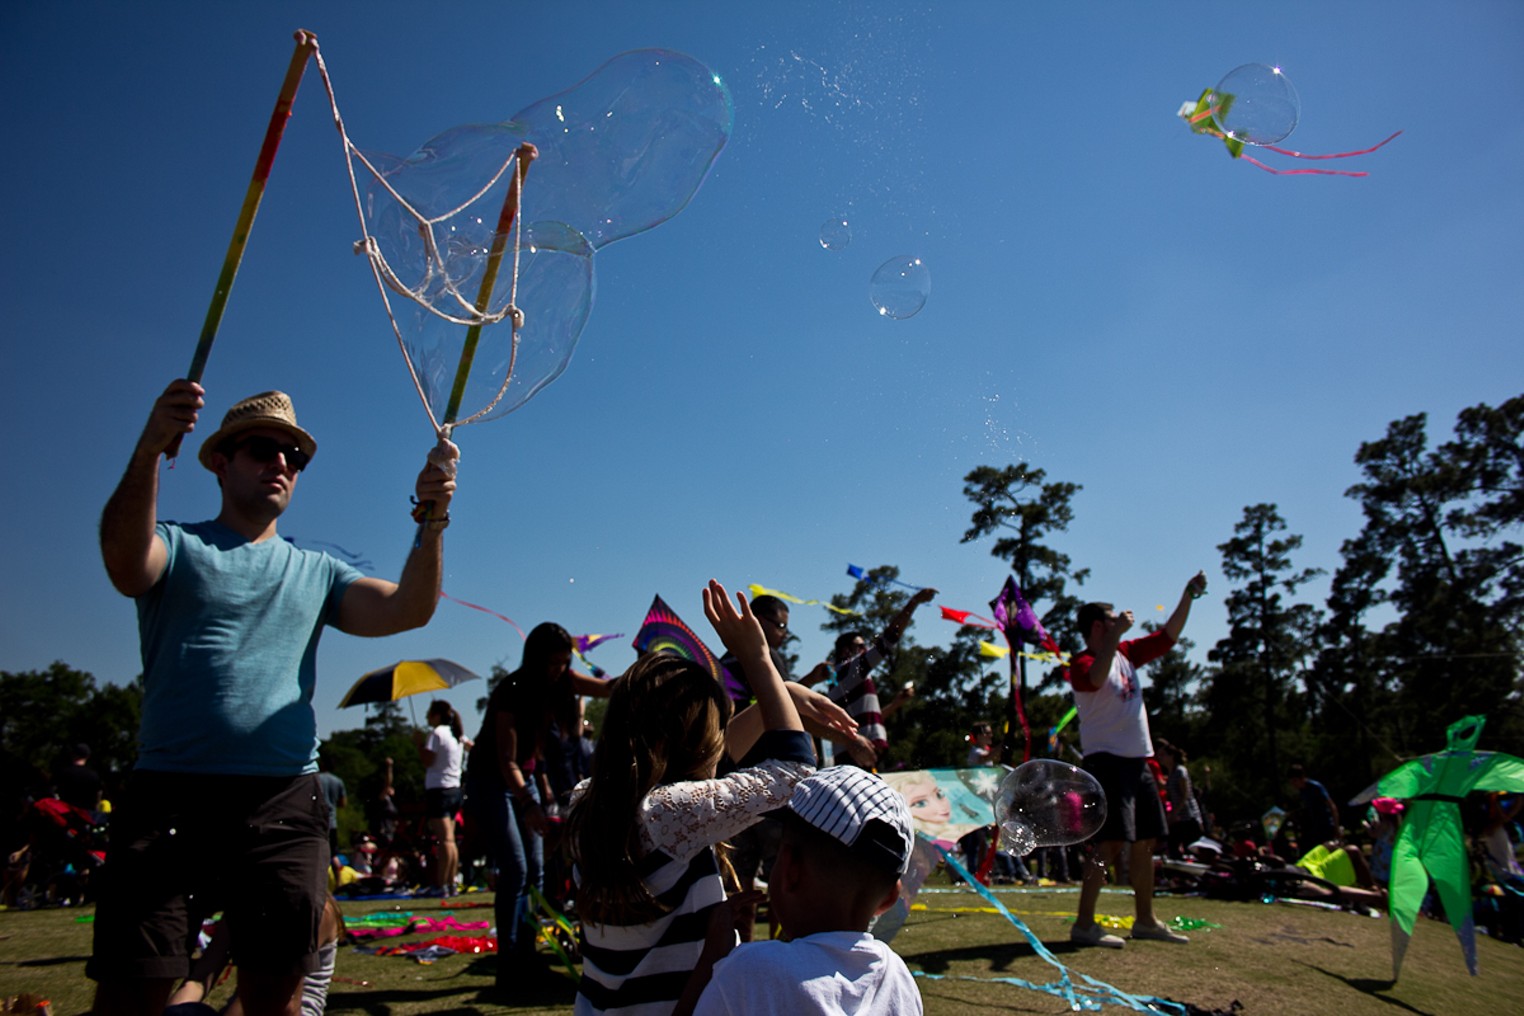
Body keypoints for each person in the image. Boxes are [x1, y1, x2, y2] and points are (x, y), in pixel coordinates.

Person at [91, 381, 458, 1016]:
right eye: (263, 448)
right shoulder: (177, 545)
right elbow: (125, 563)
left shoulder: (316, 570)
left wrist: (432, 517)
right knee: (133, 993)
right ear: (218, 461)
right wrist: (151, 448)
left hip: (282, 799)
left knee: (274, 998)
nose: (281, 463)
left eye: (295, 455)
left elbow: (408, 609)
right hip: (168, 791)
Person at [567, 580, 816, 1015]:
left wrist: (777, 700)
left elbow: (712, 774)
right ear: (689, 742)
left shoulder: (588, 800)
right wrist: (758, 660)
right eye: (713, 731)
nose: (719, 743)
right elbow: (796, 772)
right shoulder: (669, 814)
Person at [682, 766, 923, 1016]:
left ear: (789, 869)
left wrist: (712, 959)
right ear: (890, 898)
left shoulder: (752, 970)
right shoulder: (898, 978)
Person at [465, 622, 613, 986]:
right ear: (535, 659)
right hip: (493, 781)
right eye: (552, 663)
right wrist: (530, 803)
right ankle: (509, 962)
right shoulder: (512, 690)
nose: (559, 670)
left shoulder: (562, 681)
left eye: (564, 663)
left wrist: (646, 669)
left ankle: (527, 955)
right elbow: (507, 760)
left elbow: (608, 689)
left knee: (536, 870)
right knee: (515, 869)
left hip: (524, 779)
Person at [1066, 572, 1205, 949]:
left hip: (1138, 763)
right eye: (1112, 620)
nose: (1120, 624)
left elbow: (1167, 637)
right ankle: (1084, 924)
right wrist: (1115, 636)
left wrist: (1187, 596)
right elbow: (1095, 679)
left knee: (1146, 842)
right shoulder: (1080, 663)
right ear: (1099, 626)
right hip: (1107, 764)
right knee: (1107, 846)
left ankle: (1145, 920)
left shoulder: (1126, 655)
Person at [809, 587, 938, 762]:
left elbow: (868, 722)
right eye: (860, 646)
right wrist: (913, 602)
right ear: (846, 651)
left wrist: (895, 704)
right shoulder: (850, 670)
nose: (865, 650)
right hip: (859, 755)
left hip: (856, 755)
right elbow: (889, 638)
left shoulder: (839, 680)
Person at [417, 699, 466, 897]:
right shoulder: (457, 734)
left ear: (437, 715)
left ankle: (441, 884)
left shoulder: (437, 734)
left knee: (444, 840)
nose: (427, 717)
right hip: (455, 788)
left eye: (429, 713)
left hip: (439, 789)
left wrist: (419, 745)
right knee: (451, 839)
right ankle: (451, 882)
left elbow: (428, 760)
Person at [1154, 738, 1204, 856]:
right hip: (1180, 818)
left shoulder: (1180, 771)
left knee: (1189, 847)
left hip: (1189, 817)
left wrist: (1174, 813)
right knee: (1173, 844)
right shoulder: (1170, 773)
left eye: (1163, 755)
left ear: (1171, 756)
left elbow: (1185, 794)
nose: (1160, 758)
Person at [1288, 763, 1341, 848]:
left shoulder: (1316, 787)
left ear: (1301, 778)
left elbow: (1331, 806)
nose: (1294, 785)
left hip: (1326, 825)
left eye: (1295, 781)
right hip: (1315, 827)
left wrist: (1336, 826)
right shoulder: (1302, 791)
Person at [315, 753, 347, 861]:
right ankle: (336, 877)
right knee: (334, 855)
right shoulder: (338, 781)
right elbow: (343, 803)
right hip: (332, 822)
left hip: (316, 822)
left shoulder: (316, 779)